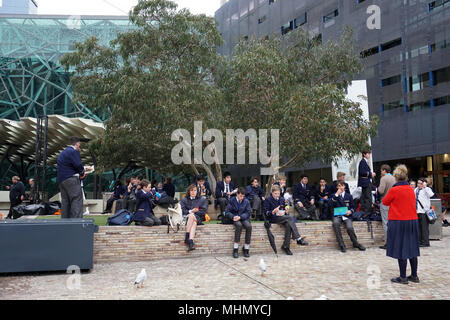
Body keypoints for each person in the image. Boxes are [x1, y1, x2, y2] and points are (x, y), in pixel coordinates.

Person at [382, 165, 420, 284]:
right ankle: (414, 275)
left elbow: (385, 201)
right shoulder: (410, 189)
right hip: (412, 221)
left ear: (396, 177)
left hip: (398, 221)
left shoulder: (394, 189)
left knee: (401, 248)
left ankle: (403, 277)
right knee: (412, 248)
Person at [263, 185, 308, 255]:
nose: (277, 195)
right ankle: (298, 238)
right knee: (290, 218)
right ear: (272, 193)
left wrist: (286, 208)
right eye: (275, 194)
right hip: (273, 218)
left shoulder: (281, 199)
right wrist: (272, 211)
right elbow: (266, 212)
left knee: (288, 225)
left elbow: (286, 205)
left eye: (278, 193)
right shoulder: (268, 200)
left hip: (282, 217)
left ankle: (286, 246)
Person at [57, 136, 92, 219]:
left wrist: (82, 170)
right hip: (71, 179)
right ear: (77, 143)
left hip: (62, 180)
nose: (79, 145)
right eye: (79, 144)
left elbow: (69, 166)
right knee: (76, 199)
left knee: (66, 202)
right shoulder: (73, 151)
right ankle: (76, 223)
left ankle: (65, 222)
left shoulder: (63, 152)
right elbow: (78, 165)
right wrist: (83, 171)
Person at [331, 181, 366, 253]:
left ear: (344, 187)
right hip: (337, 215)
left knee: (349, 227)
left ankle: (355, 243)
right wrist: (336, 195)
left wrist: (350, 211)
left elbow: (353, 207)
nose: (340, 187)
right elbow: (330, 204)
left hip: (347, 215)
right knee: (335, 224)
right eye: (338, 186)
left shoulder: (349, 196)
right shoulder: (334, 195)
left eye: (341, 186)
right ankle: (341, 244)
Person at [180, 184, 208, 251]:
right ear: (189, 191)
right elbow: (182, 210)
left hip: (198, 217)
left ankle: (187, 236)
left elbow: (203, 211)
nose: (193, 192)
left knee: (192, 216)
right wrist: (190, 211)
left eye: (195, 190)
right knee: (193, 223)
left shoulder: (202, 199)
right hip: (187, 218)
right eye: (191, 190)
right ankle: (191, 242)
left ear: (197, 191)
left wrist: (193, 212)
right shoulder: (184, 199)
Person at [227, 188, 252, 258]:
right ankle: (235, 249)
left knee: (249, 226)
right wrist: (233, 217)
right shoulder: (231, 200)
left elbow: (248, 212)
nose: (242, 198)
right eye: (240, 196)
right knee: (239, 225)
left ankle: (246, 248)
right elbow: (228, 211)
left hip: (243, 218)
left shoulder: (246, 201)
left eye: (243, 196)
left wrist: (240, 217)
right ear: (237, 194)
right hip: (235, 218)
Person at [377, 164, 396, 249]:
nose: (381, 172)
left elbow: (381, 191)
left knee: (386, 223)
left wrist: (377, 189)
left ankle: (388, 243)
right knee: (393, 222)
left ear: (384, 170)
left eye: (381, 170)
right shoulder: (394, 178)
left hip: (385, 202)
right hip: (394, 203)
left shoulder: (383, 178)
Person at [415, 178, 435, 248]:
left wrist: (425, 187)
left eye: (421, 183)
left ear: (424, 183)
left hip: (424, 211)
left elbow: (431, 195)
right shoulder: (416, 190)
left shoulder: (427, 189)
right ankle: (420, 241)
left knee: (424, 228)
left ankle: (425, 242)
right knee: (419, 227)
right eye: (418, 183)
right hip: (417, 211)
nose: (419, 185)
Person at [358, 150, 376, 215]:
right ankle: (367, 212)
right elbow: (362, 172)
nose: (369, 155)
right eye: (368, 154)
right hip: (365, 182)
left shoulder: (364, 162)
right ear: (364, 154)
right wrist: (371, 174)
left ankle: (364, 211)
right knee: (368, 197)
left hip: (366, 182)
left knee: (364, 196)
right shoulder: (362, 162)